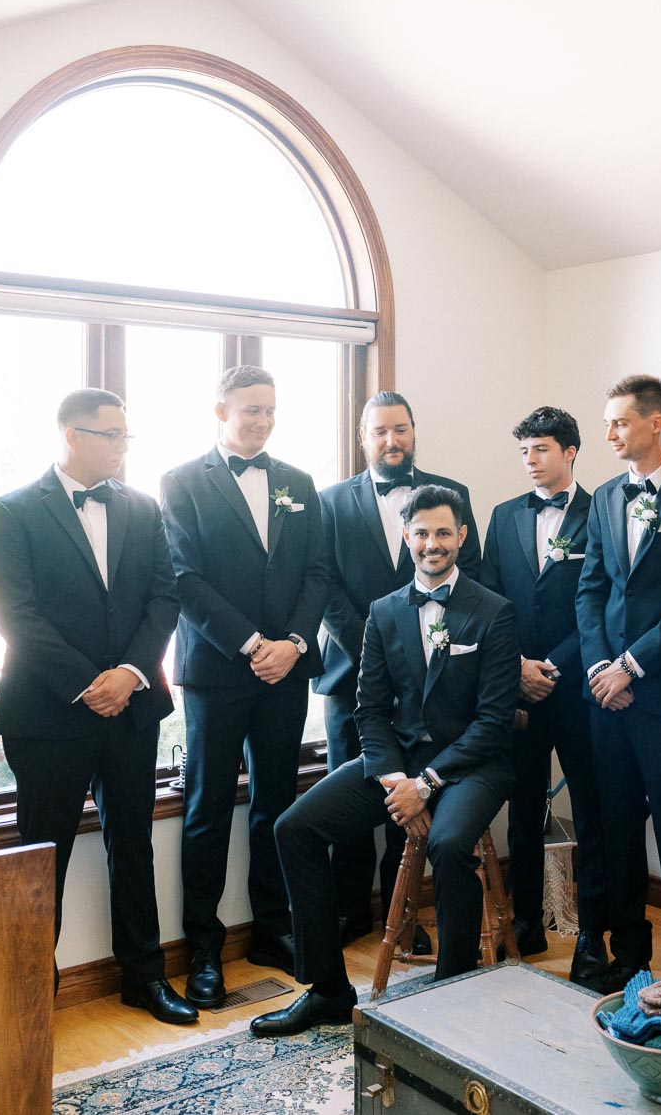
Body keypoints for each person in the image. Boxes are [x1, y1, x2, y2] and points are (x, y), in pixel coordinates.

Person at [250, 484, 519, 1036]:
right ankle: (327, 989)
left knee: (447, 845)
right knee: (293, 828)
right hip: (400, 761)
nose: (432, 543)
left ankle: (454, 995)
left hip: (473, 764)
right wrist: (399, 780)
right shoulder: (384, 611)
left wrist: (427, 783)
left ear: (462, 536)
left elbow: (493, 722)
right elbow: (368, 709)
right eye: (421, 533)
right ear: (406, 536)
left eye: (444, 532)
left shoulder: (494, 612)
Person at [0, 389, 196, 1024]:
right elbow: (15, 614)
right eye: (110, 435)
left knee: (133, 845)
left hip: (131, 710)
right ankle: (28, 995)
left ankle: (144, 978)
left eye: (126, 436)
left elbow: (165, 597)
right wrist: (88, 683)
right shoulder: (15, 509)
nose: (121, 448)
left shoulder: (142, 507)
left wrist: (130, 675)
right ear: (71, 436)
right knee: (42, 853)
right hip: (49, 716)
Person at [160, 365, 328, 1008]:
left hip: (286, 671)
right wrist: (253, 644)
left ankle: (272, 928)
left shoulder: (298, 482)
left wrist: (291, 644)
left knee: (277, 804)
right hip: (217, 674)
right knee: (205, 810)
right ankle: (203, 947)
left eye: (270, 410)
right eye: (251, 409)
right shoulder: (180, 483)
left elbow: (316, 572)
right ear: (220, 409)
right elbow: (185, 579)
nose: (261, 421)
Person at [316, 390, 481, 945]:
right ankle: (347, 912)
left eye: (402, 429)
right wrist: (374, 651)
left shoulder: (450, 496)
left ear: (415, 432)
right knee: (358, 792)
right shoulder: (329, 501)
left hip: (432, 683)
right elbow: (324, 585)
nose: (393, 440)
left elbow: (472, 583)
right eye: (381, 431)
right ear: (363, 437)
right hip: (350, 677)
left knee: (413, 795)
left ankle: (405, 915)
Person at [576, 375, 661, 994]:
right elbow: (592, 590)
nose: (609, 434)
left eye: (620, 422)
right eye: (608, 423)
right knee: (617, 827)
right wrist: (599, 669)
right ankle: (630, 957)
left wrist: (631, 666)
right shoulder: (605, 497)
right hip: (606, 699)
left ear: (656, 423)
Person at [480, 405, 607, 985]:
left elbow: (601, 604)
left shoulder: (599, 512)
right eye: (524, 452)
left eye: (541, 450)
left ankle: (590, 937)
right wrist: (516, 668)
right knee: (523, 812)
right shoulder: (504, 517)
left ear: (570, 451)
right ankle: (526, 923)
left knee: (592, 813)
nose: (530, 461)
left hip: (579, 689)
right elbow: (487, 601)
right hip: (518, 692)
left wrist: (552, 665)